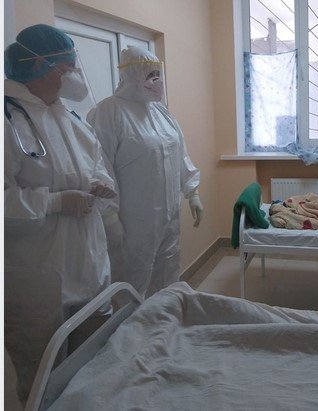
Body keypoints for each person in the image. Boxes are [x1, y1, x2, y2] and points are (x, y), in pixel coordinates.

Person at [4, 24, 117, 403]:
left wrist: (100, 183)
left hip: (88, 262)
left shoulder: (69, 115)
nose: (76, 74)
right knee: (42, 373)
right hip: (37, 274)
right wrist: (53, 202)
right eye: (69, 66)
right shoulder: (8, 119)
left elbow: (95, 164)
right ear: (43, 66)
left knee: (93, 358)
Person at [87, 46, 202, 298]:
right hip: (133, 224)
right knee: (132, 283)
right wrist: (109, 217)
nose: (156, 81)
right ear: (131, 75)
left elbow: (180, 153)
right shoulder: (108, 112)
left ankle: (164, 319)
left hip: (169, 217)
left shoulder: (160, 112)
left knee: (167, 275)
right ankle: (131, 325)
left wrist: (192, 191)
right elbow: (99, 167)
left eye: (157, 74)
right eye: (149, 75)